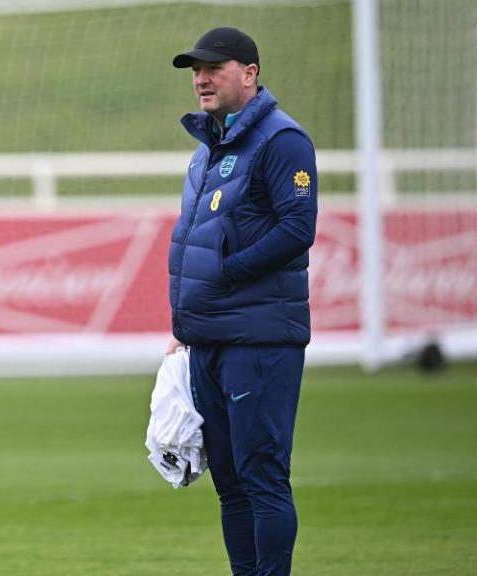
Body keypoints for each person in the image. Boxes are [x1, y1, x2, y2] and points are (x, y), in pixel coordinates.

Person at [165, 27, 317, 576]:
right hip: (210, 337)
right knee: (230, 486)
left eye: (214, 68)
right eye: (195, 70)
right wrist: (187, 322)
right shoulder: (211, 147)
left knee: (263, 478)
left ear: (249, 75)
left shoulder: (282, 140)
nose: (200, 79)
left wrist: (226, 274)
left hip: (258, 338)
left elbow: (299, 226)